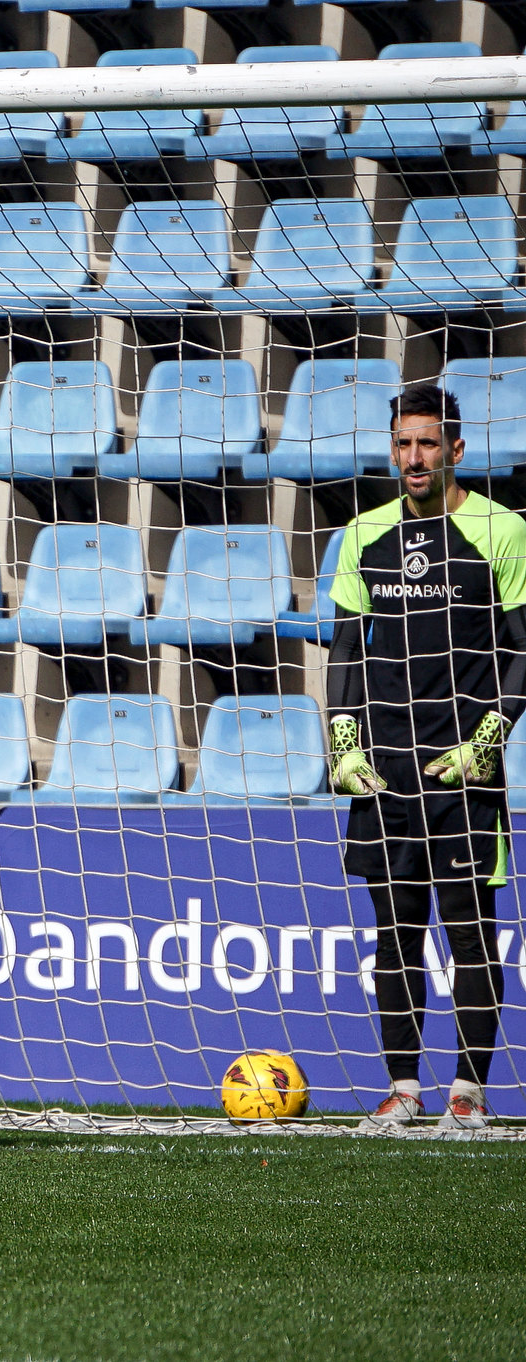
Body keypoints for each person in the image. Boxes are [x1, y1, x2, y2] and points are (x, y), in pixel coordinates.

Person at [327, 383, 525, 1129]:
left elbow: (524, 649)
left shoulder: (501, 530)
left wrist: (489, 737)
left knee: (469, 929)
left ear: (456, 452)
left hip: (462, 767)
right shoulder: (363, 533)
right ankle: (404, 1090)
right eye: (403, 443)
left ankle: (468, 1094)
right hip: (385, 768)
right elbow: (346, 647)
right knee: (395, 929)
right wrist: (343, 745)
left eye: (428, 444)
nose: (414, 457)